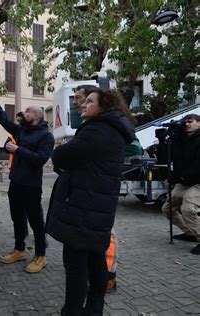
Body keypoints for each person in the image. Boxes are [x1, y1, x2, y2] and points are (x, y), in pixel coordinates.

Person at [47, 88, 135, 315]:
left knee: (76, 268)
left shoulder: (97, 130)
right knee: (96, 262)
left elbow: (61, 156)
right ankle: (95, 309)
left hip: (84, 209)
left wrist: (60, 155)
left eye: (89, 101)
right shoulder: (114, 130)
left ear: (103, 106)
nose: (83, 105)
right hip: (99, 209)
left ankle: (72, 311)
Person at [0, 88, 55, 274]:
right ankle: (20, 250)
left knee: (36, 221)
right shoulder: (21, 130)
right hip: (16, 183)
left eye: (26, 111)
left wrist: (18, 150)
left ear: (35, 115)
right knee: (17, 218)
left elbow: (40, 159)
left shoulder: (46, 136)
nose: (23, 114)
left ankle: (41, 256)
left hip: (32, 186)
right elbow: (4, 121)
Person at [74, 84, 120, 293]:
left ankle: (109, 276)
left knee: (105, 238)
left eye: (82, 99)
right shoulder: (89, 126)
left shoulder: (104, 129)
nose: (78, 103)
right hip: (89, 195)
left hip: (98, 196)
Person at [161, 114, 200, 255]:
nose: (187, 124)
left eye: (191, 121)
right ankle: (190, 232)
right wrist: (166, 139)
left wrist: (181, 177)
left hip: (198, 182)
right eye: (185, 122)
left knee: (188, 208)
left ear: (199, 124)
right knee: (167, 208)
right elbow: (172, 158)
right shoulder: (180, 139)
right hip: (185, 181)